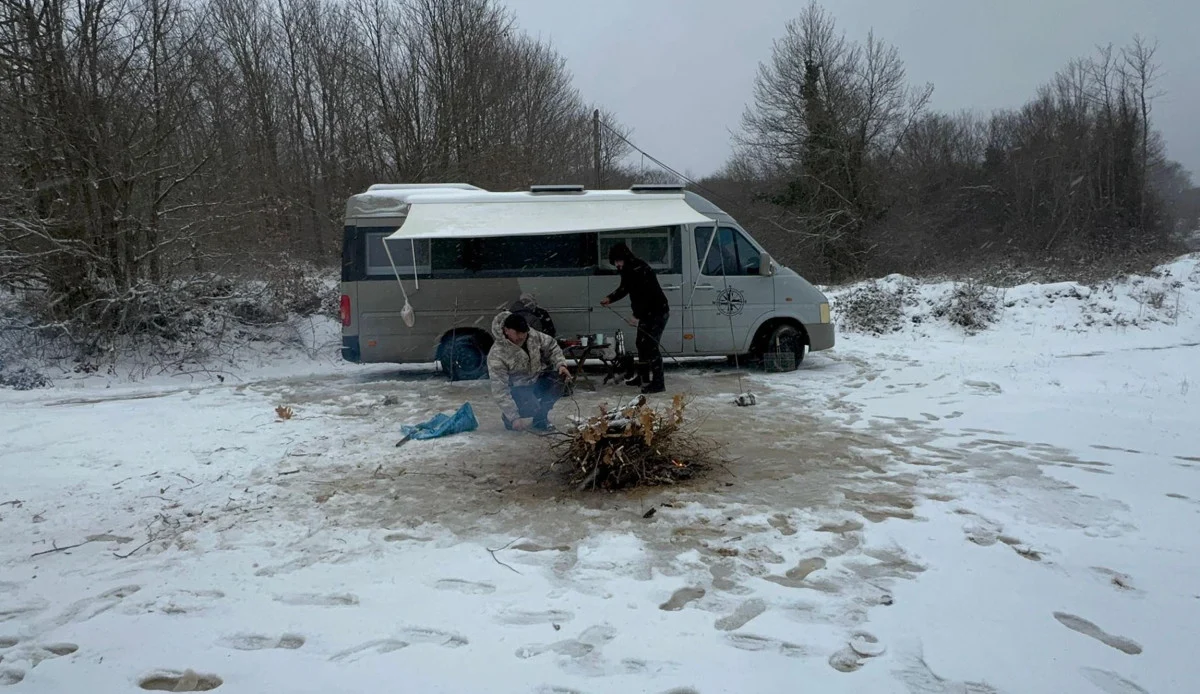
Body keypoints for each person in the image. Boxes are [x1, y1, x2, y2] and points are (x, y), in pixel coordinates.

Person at [600, 242, 669, 394]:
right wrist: (610, 298)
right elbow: (625, 288)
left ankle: (658, 383)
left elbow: (645, 295)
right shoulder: (628, 269)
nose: (616, 265)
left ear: (623, 258)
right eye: (615, 262)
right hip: (647, 313)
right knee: (641, 344)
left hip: (657, 311)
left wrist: (636, 316)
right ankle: (643, 378)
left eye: (618, 261)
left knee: (651, 346)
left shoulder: (638, 269)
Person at [487, 310, 572, 432]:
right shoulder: (497, 354)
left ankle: (540, 419)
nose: (521, 337)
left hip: (536, 380)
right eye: (517, 333)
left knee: (559, 379)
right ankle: (509, 418)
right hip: (517, 389)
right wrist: (513, 417)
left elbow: (552, 345)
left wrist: (561, 365)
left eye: (524, 333)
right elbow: (500, 389)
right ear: (506, 330)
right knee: (530, 407)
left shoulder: (533, 335)